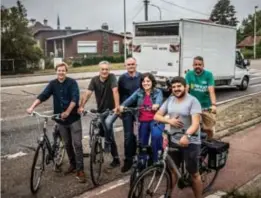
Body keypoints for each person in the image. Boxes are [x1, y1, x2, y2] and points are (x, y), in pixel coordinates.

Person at [26, 62, 86, 183]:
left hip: (73, 119)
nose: (61, 72)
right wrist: (32, 107)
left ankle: (80, 170)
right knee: (67, 144)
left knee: (77, 144)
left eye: (63, 70)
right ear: (56, 71)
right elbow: (43, 95)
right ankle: (73, 164)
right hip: (61, 120)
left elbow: (75, 98)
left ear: (66, 71)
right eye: (59, 70)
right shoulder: (53, 84)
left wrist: (68, 111)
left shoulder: (72, 83)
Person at [154, 76, 203, 198]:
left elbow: (196, 123)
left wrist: (187, 136)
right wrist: (170, 121)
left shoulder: (193, 101)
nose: (176, 89)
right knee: (173, 171)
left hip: (190, 141)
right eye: (174, 87)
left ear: (185, 87)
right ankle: (168, 195)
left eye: (179, 86)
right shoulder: (170, 100)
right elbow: (157, 116)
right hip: (174, 140)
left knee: (194, 174)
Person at [78, 61, 120, 168]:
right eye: (103, 69)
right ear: (99, 70)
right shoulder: (94, 80)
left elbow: (115, 91)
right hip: (101, 110)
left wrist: (117, 107)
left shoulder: (112, 77)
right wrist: (82, 106)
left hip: (112, 110)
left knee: (107, 126)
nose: (105, 71)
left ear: (109, 70)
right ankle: (97, 145)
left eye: (107, 69)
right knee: (103, 130)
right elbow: (87, 93)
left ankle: (114, 156)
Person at [120, 73, 164, 163]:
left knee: (156, 137)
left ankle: (156, 160)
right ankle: (142, 162)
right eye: (143, 81)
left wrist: (156, 104)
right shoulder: (139, 91)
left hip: (155, 119)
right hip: (143, 120)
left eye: (148, 81)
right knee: (142, 142)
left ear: (152, 82)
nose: (145, 83)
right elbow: (130, 100)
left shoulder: (158, 91)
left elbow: (159, 100)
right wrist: (122, 106)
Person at [118, 57, 142, 172]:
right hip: (127, 110)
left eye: (133, 64)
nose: (131, 66)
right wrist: (119, 108)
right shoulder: (122, 79)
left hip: (139, 111)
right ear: (125, 65)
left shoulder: (141, 77)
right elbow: (118, 94)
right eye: (128, 64)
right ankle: (128, 160)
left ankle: (139, 158)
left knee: (137, 134)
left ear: (136, 64)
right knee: (128, 136)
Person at [185, 56, 217, 139]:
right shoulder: (189, 74)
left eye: (199, 64)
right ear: (193, 65)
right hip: (194, 107)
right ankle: (196, 144)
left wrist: (213, 105)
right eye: (195, 64)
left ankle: (210, 141)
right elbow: (186, 88)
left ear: (203, 65)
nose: (197, 66)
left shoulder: (208, 75)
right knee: (194, 127)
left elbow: (211, 90)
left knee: (209, 128)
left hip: (206, 107)